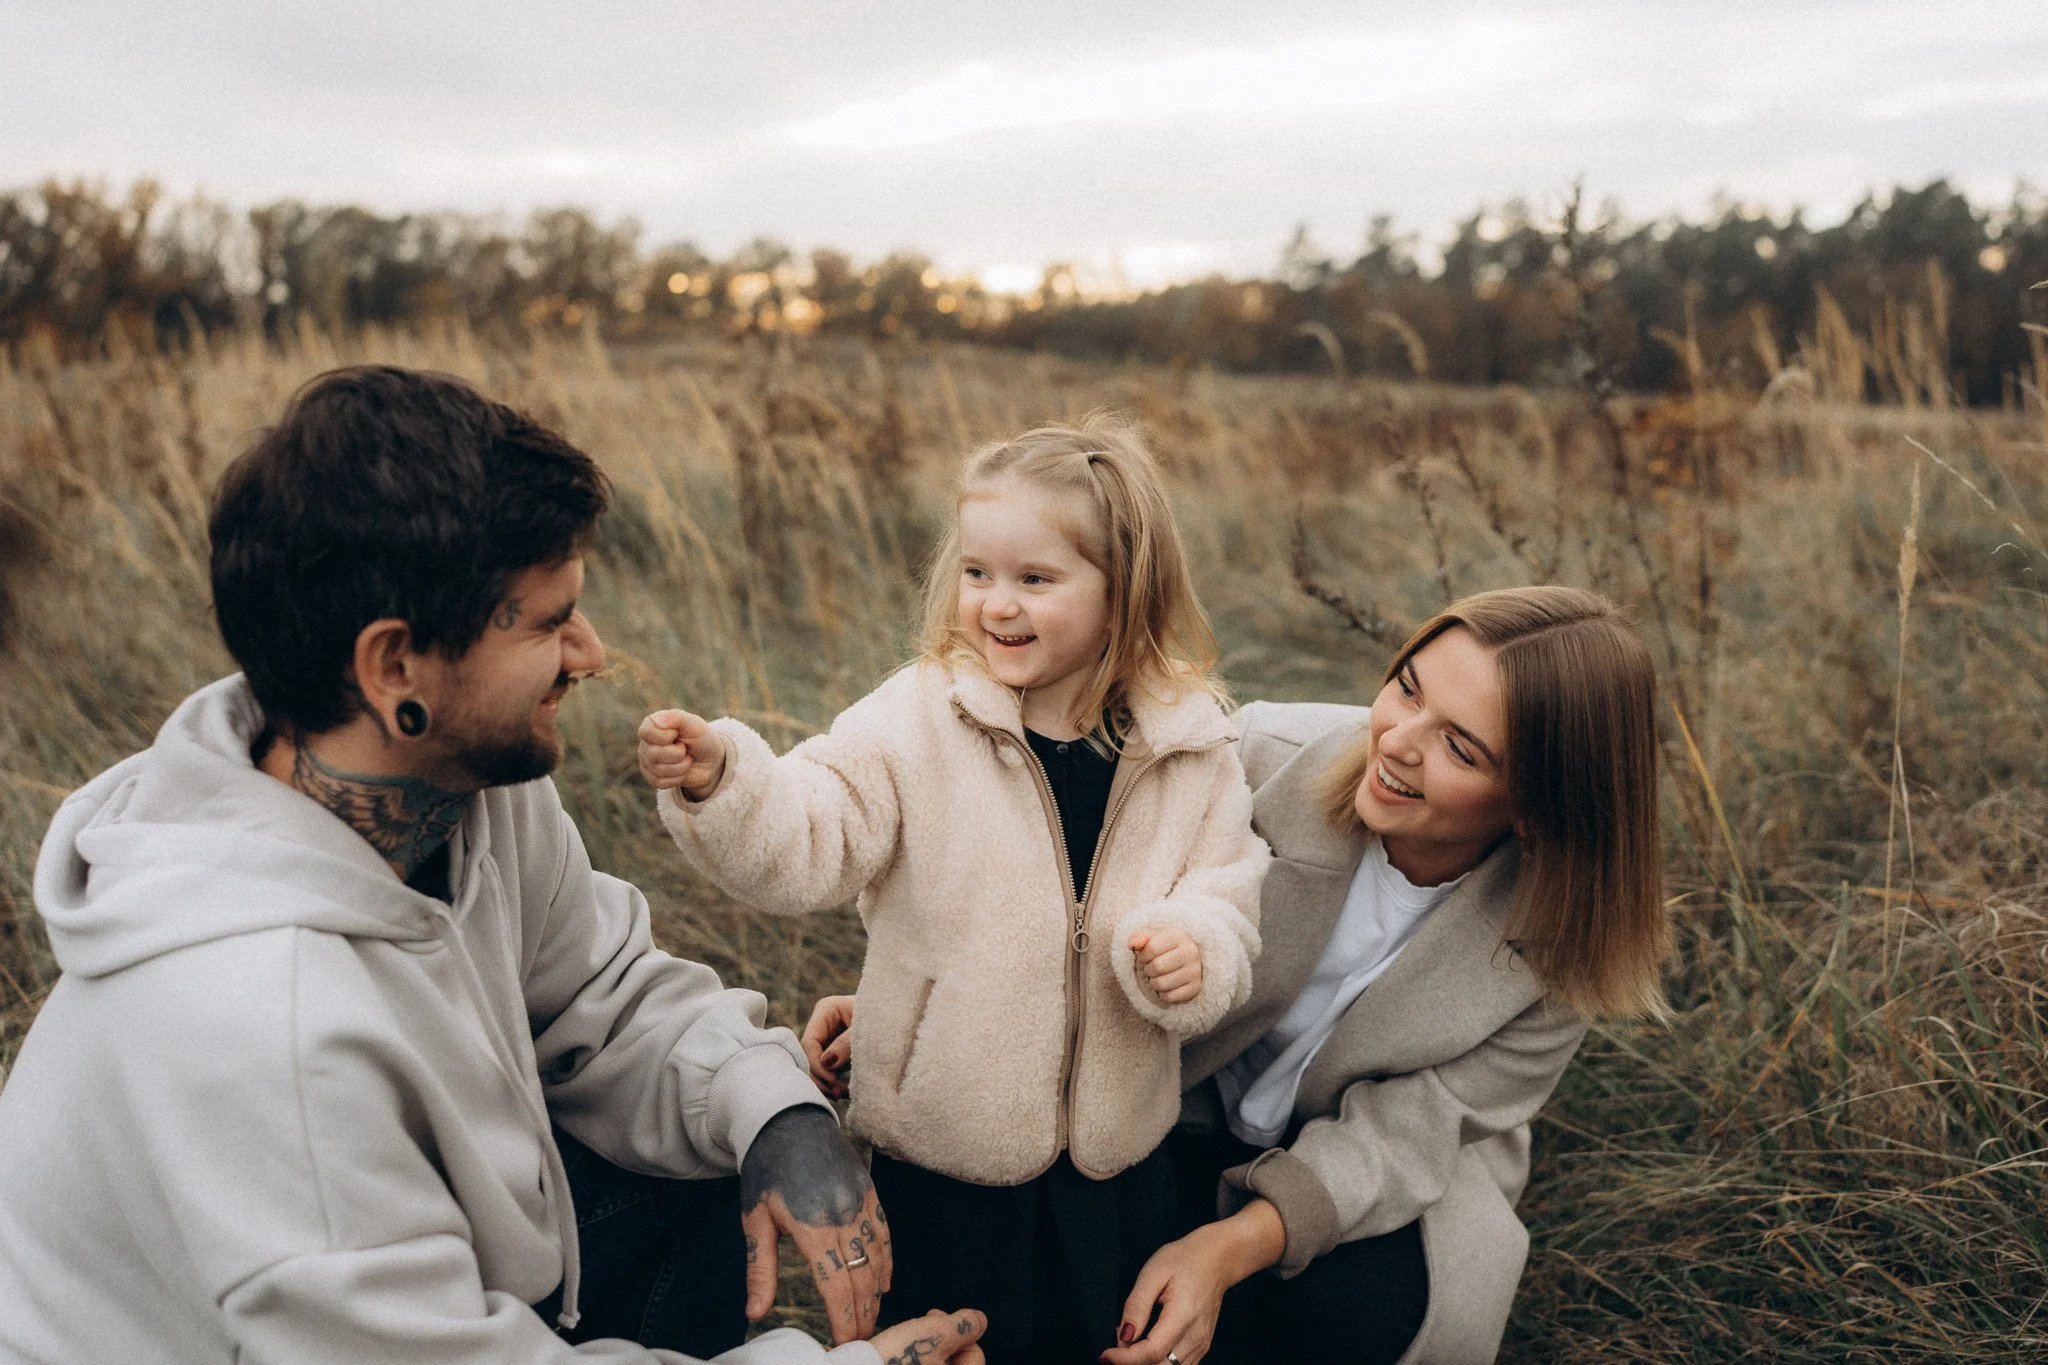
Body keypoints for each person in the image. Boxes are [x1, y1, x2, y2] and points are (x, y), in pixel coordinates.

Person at [0, 366, 984, 1365]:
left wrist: (774, 1111)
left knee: (698, 1176)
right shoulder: (264, 1026)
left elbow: (597, 997)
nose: (591, 654)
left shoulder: (466, 789)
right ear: (395, 669)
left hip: (385, 1296)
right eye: (550, 621)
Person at [638, 419, 1269, 1362]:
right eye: (977, 573)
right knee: (950, 1345)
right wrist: (724, 779)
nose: (996, 604)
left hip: (1116, 1163)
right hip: (942, 1161)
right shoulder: (920, 717)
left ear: (1124, 586)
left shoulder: (1189, 745)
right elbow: (815, 827)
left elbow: (1227, 890)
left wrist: (1196, 943)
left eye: (1035, 579)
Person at [1094, 585, 1672, 1365]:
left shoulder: (1570, 944)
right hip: (1180, 1094)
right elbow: (1090, 916)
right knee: (1083, 1265)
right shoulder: (1256, 758)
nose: (1397, 740)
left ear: (1539, 804)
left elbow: (1410, 1132)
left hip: (1368, 1159)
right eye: (1407, 687)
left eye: (1461, 748)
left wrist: (1229, 1248)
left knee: (1374, 1316)